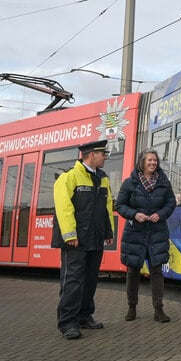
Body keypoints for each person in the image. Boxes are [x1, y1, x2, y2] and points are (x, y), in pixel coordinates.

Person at [52, 139, 114, 340]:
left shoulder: (103, 178)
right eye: (102, 153)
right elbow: (64, 208)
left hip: (95, 238)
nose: (105, 157)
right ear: (91, 155)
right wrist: (70, 235)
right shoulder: (69, 177)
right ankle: (68, 323)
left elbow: (107, 208)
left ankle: (85, 317)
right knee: (73, 281)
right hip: (76, 240)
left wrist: (108, 233)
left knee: (90, 280)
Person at [114, 149, 177, 323]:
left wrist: (161, 214)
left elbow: (171, 202)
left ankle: (159, 310)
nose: (153, 163)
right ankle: (131, 307)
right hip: (135, 233)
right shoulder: (130, 183)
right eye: (149, 160)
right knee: (133, 271)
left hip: (157, 232)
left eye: (155, 160)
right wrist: (134, 214)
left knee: (157, 271)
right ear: (142, 162)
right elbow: (119, 205)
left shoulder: (164, 182)